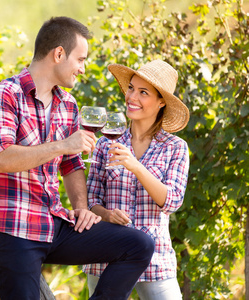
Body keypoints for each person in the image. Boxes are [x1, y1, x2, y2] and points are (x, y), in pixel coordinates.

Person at [0, 16, 155, 300]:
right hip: (14, 228)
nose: (83, 69)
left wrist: (82, 208)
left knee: (138, 244)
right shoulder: (4, 94)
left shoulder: (67, 104)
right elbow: (2, 159)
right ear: (58, 54)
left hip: (54, 224)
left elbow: (72, 164)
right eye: (80, 59)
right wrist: (62, 145)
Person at [83, 60, 190, 300]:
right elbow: (91, 200)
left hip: (156, 259)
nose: (132, 97)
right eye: (131, 88)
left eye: (143, 92)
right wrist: (107, 215)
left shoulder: (175, 148)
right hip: (106, 255)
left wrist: (136, 166)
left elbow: (171, 201)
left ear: (161, 101)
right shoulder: (105, 143)